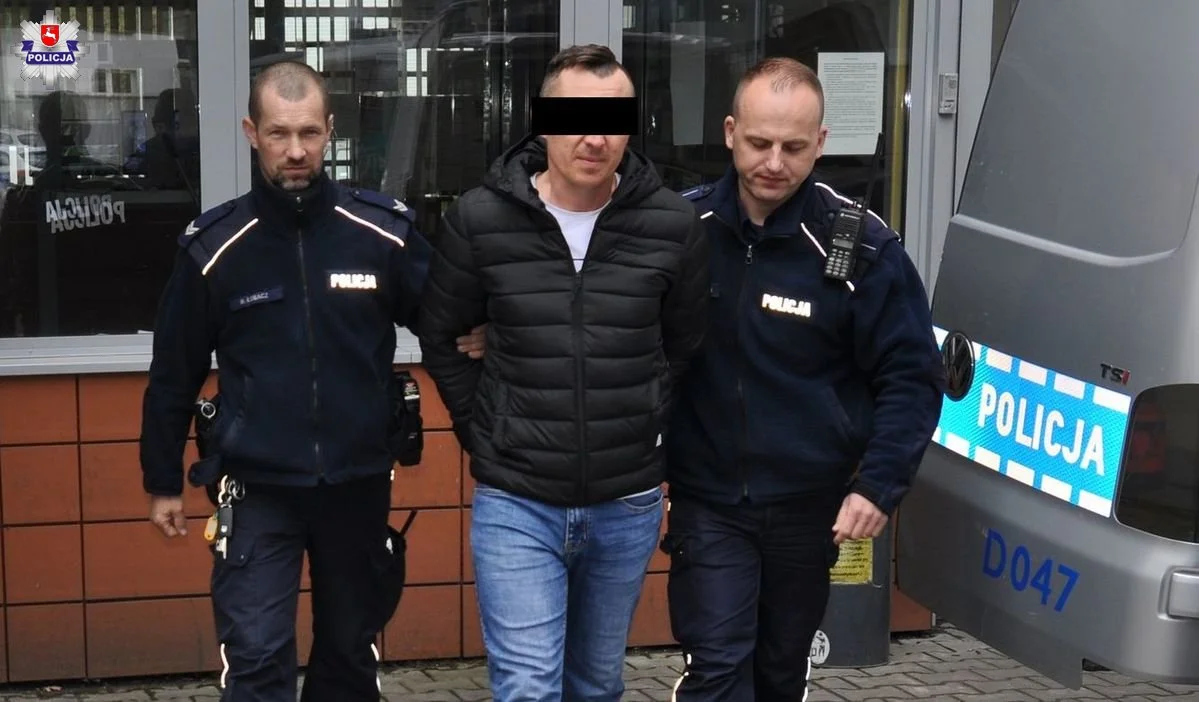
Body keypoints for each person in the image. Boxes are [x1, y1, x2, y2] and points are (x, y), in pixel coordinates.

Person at [417, 44, 708, 702]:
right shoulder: (480, 219)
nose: (594, 138)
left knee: (596, 685)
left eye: (611, 120)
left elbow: (683, 345)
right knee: (527, 687)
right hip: (517, 500)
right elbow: (441, 336)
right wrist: (484, 430)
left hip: (626, 501)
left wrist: (643, 420)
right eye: (575, 117)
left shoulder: (672, 225)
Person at [138, 60, 430, 702]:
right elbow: (174, 371)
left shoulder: (381, 234)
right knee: (257, 658)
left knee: (348, 662)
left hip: (356, 483)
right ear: (252, 133)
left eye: (308, 133)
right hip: (258, 489)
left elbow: (447, 321)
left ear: (329, 130)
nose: (295, 151)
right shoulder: (216, 247)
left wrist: (480, 332)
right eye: (278, 133)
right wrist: (162, 481)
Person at [661, 57, 944, 701]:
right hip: (708, 501)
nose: (773, 162)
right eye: (759, 142)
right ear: (730, 132)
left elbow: (912, 376)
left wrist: (878, 487)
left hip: (810, 507)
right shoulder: (679, 231)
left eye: (793, 147)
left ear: (820, 143)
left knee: (780, 672)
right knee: (718, 666)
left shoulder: (862, 248)